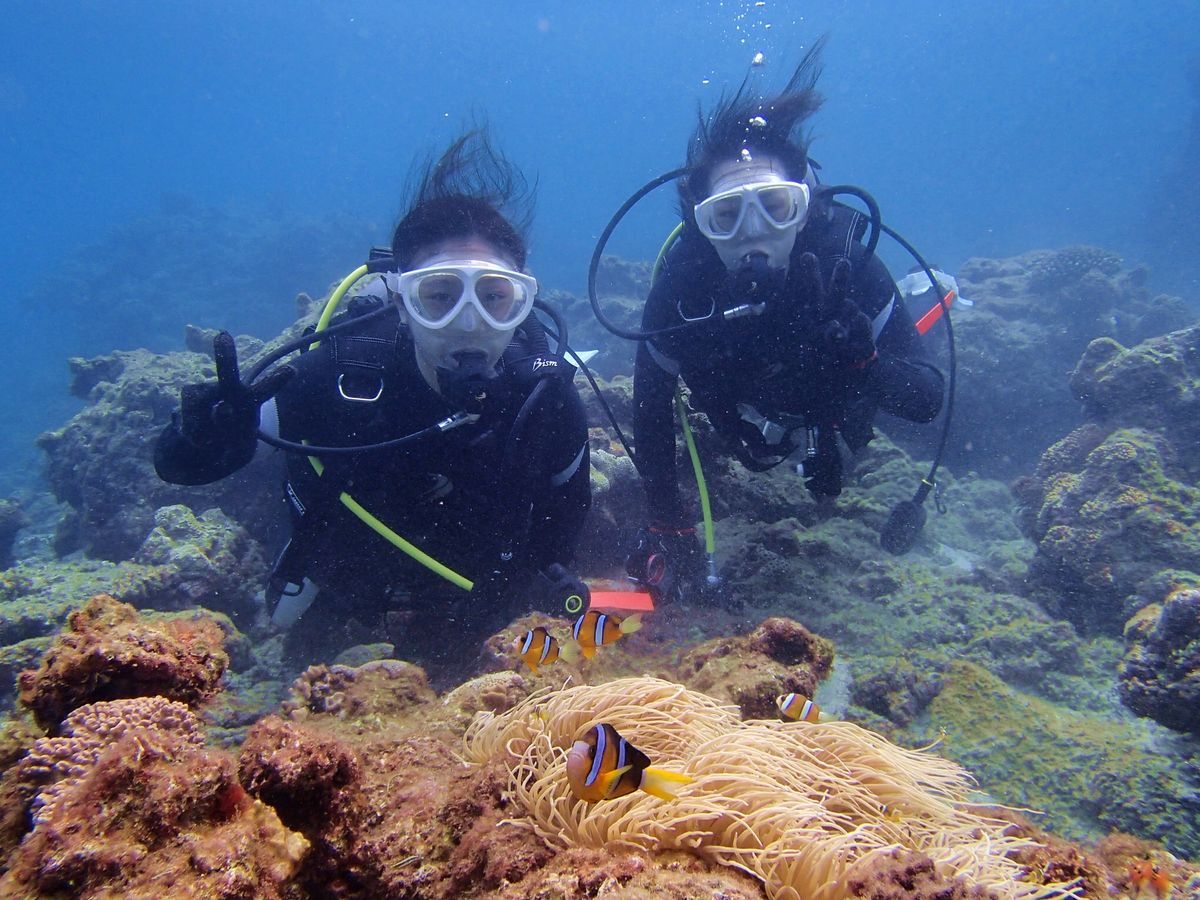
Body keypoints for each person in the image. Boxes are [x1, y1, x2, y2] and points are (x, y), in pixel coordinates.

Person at [155, 131, 591, 674]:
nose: (470, 321)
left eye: (496, 297)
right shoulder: (340, 374)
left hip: (478, 609)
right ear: (403, 303)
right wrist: (204, 438)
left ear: (522, 304)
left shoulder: (547, 402)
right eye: (438, 296)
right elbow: (181, 467)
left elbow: (563, 525)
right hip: (346, 595)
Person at [628, 42, 944, 601]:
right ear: (702, 226)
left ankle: (941, 301)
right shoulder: (681, 292)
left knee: (850, 440)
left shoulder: (852, 268)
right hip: (741, 413)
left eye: (775, 207)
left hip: (834, 404)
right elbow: (650, 413)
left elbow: (925, 400)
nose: (753, 232)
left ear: (807, 207)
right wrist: (669, 521)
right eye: (726, 216)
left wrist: (866, 362)